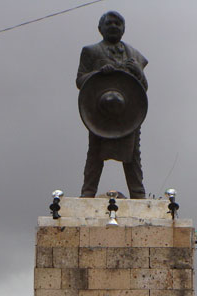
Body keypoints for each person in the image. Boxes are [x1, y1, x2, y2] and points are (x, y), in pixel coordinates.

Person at [76, 11, 148, 198]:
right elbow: (80, 80)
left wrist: (138, 72)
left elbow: (143, 88)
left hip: (127, 112)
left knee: (133, 156)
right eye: (109, 23)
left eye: (118, 23)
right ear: (100, 28)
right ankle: (88, 193)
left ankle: (138, 195)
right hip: (101, 113)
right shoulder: (91, 51)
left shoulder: (135, 55)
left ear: (124, 28)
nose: (114, 26)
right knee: (94, 155)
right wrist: (98, 73)